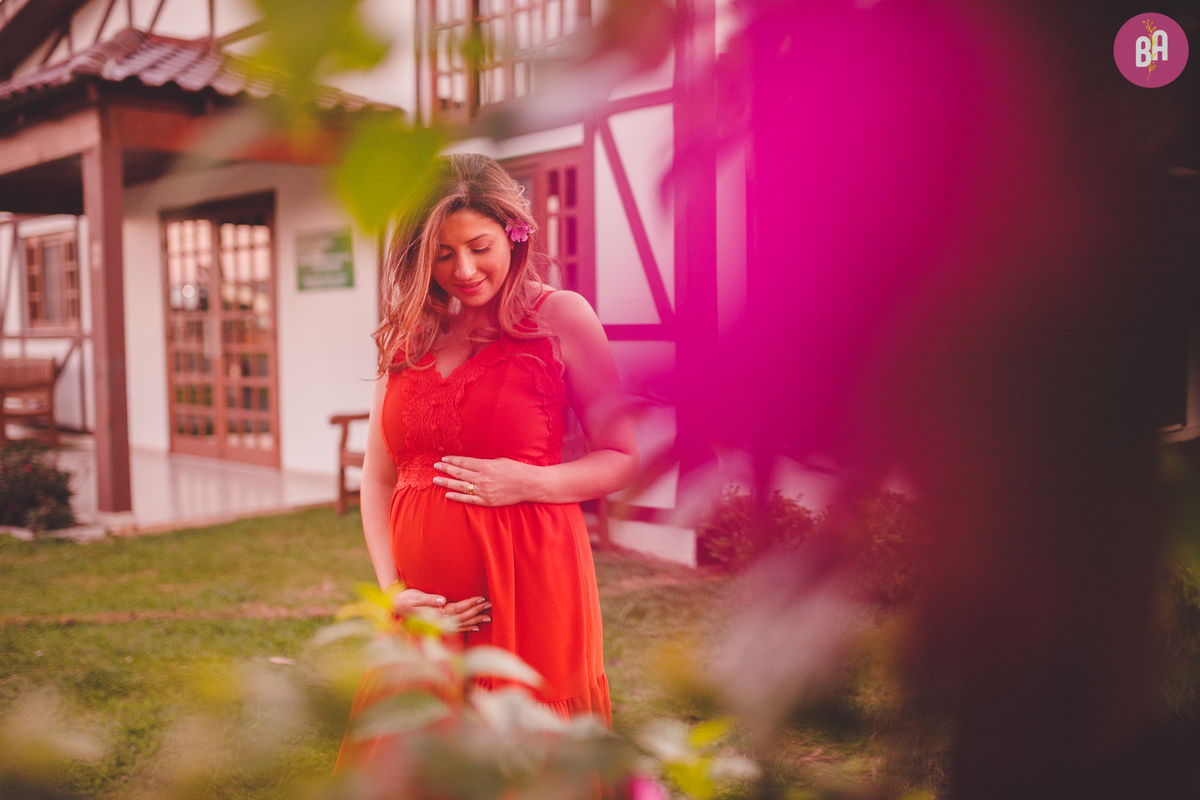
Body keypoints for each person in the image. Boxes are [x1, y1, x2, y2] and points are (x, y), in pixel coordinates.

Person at [336, 153, 638, 768]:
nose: (465, 270)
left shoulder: (561, 316)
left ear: (514, 234)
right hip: (426, 611)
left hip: (530, 589)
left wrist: (527, 481)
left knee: (526, 758)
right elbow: (380, 476)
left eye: (479, 247)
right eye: (442, 254)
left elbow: (622, 457)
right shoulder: (410, 333)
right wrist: (393, 589)